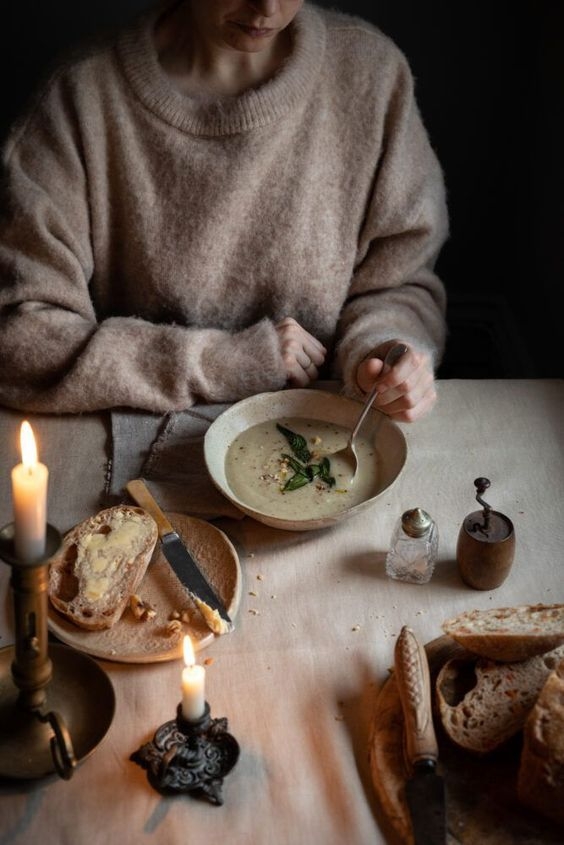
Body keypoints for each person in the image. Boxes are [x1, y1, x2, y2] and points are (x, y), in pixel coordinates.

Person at [0, 0, 448, 422]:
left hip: (325, 428)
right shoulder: (80, 96)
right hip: (138, 430)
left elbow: (399, 281)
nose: (268, 8)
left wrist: (384, 354)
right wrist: (218, 362)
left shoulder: (371, 74)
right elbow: (22, 340)